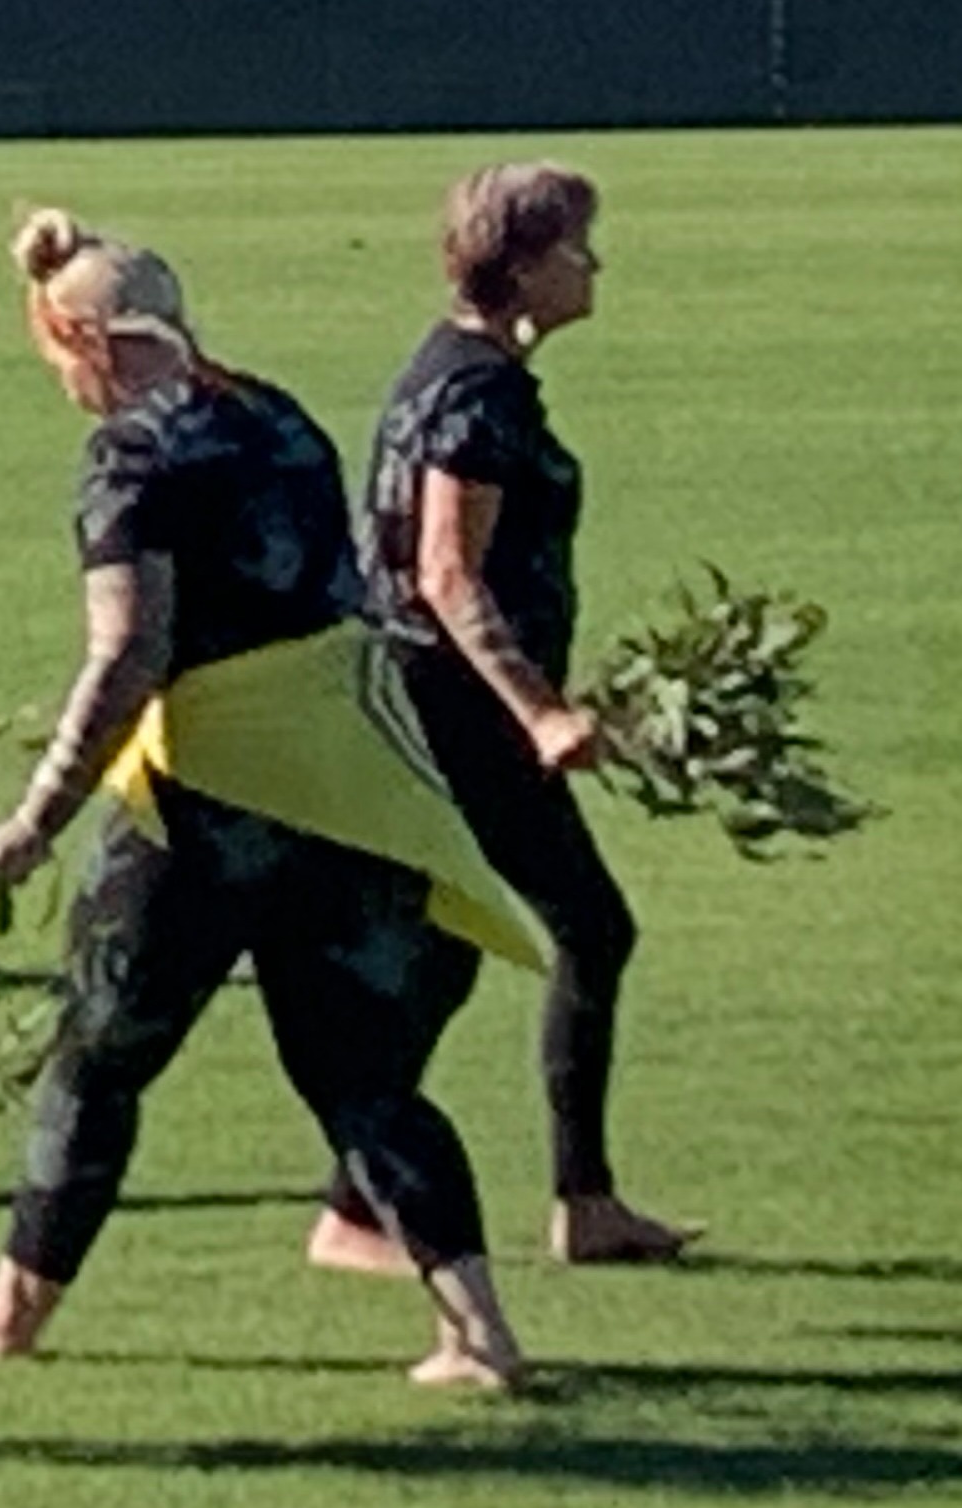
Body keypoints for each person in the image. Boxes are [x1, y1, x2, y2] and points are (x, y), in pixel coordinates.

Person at [0, 211, 547, 1390]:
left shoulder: (131, 454)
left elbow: (127, 656)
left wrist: (30, 824)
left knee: (99, 1062)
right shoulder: (279, 415)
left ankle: (7, 1313)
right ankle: (481, 1334)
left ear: (83, 341)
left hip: (205, 802)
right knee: (365, 1080)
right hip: (347, 785)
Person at [310, 161, 692, 1272]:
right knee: (589, 929)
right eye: (578, 246)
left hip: (427, 706)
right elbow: (447, 574)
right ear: (522, 266)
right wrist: (540, 711)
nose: (596, 264)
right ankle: (576, 1203)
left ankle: (362, 1199)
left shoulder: (451, 368)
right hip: (461, 716)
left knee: (443, 952)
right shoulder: (480, 395)